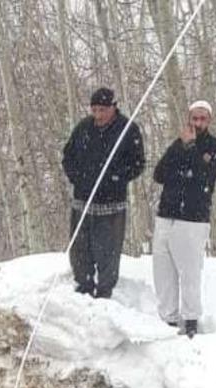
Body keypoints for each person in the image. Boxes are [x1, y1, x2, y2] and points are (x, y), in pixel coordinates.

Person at [61, 87, 146, 298]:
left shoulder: (128, 130)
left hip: (111, 204)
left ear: (113, 108)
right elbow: (68, 156)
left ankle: (105, 290)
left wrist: (115, 178)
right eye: (94, 110)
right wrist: (77, 177)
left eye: (102, 110)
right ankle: (83, 285)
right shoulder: (83, 128)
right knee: (80, 249)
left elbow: (137, 164)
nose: (98, 115)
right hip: (83, 200)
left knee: (108, 250)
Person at [152, 100, 216, 339]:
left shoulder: (214, 147)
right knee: (163, 273)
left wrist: (192, 148)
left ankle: (191, 321)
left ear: (209, 120)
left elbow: (204, 177)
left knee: (190, 273)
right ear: (188, 118)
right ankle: (168, 319)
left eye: (203, 119)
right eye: (195, 118)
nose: (198, 123)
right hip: (166, 215)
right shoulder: (178, 144)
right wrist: (181, 147)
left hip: (193, 219)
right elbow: (159, 174)